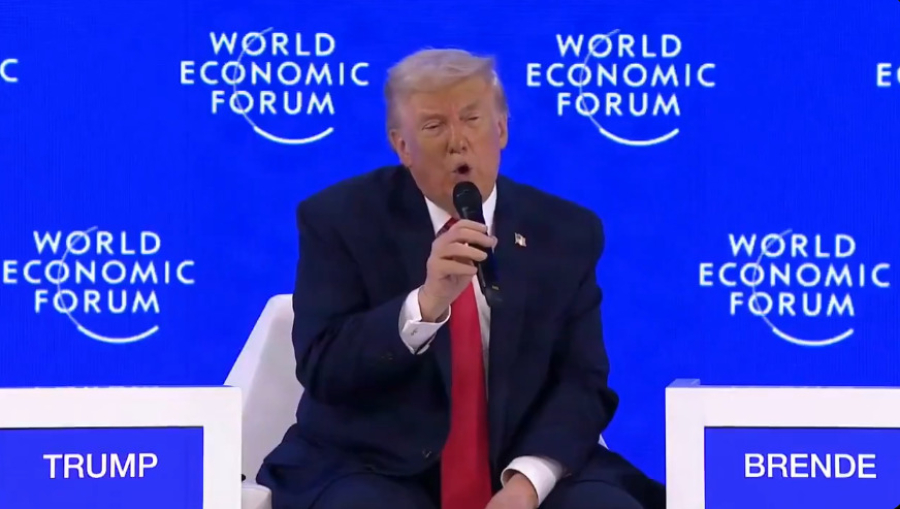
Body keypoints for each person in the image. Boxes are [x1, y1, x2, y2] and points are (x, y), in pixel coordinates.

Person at [257, 48, 665, 509]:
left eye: (472, 119)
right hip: (373, 464)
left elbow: (582, 382)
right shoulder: (340, 219)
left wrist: (527, 482)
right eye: (434, 126)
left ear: (502, 129)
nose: (458, 142)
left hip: (521, 460)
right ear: (402, 146)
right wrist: (425, 305)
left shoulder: (566, 232)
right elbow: (323, 367)